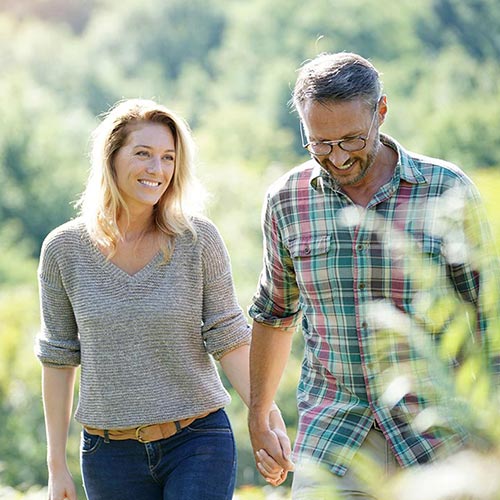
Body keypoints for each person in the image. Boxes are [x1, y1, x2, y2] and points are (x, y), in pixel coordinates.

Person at [247, 52, 498, 499]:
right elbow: (275, 312)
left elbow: (487, 318)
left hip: (437, 433)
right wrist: (260, 415)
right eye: (319, 143)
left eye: (350, 139)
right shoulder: (286, 201)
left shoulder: (447, 189)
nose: (337, 158)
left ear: (381, 111)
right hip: (335, 431)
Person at [36, 98, 290, 500]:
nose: (157, 170)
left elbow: (228, 337)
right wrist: (56, 467)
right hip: (108, 455)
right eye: (143, 154)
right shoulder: (64, 250)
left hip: (197, 442)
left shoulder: (198, 240)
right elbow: (59, 357)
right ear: (111, 157)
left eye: (168, 157)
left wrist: (267, 416)